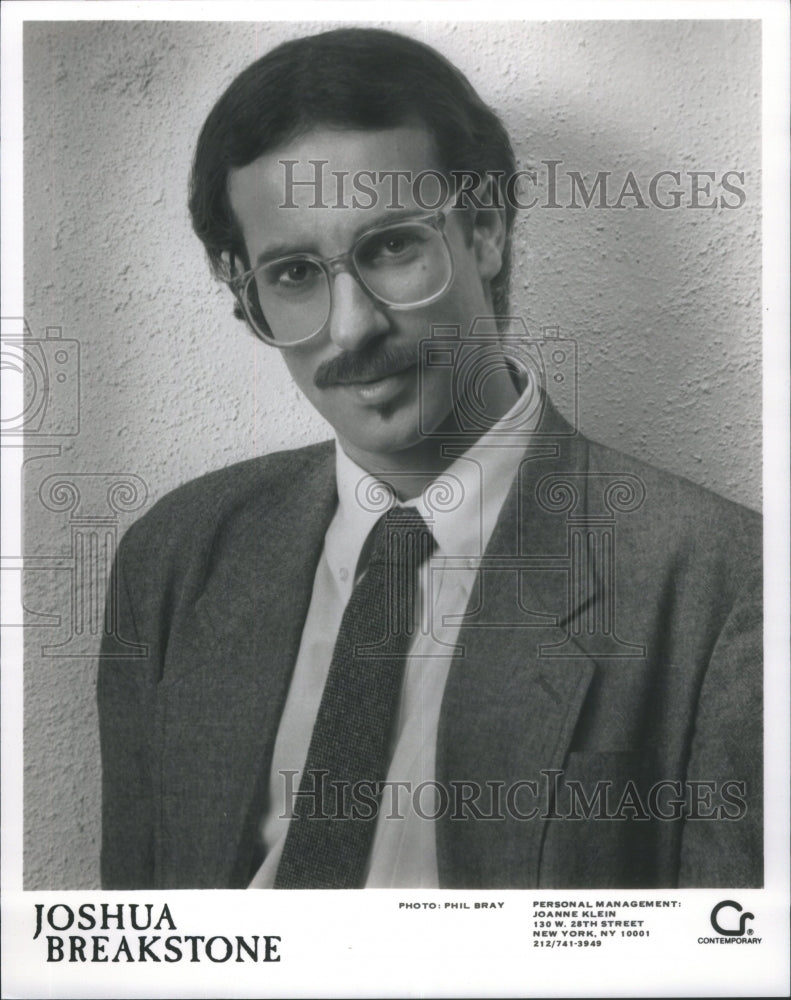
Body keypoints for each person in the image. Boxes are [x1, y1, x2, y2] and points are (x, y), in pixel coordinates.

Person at [98, 27, 762, 890]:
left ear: (483, 230)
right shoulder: (174, 558)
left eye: (391, 247)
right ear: (246, 294)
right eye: (295, 273)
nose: (351, 330)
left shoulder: (726, 584)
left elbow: (731, 963)